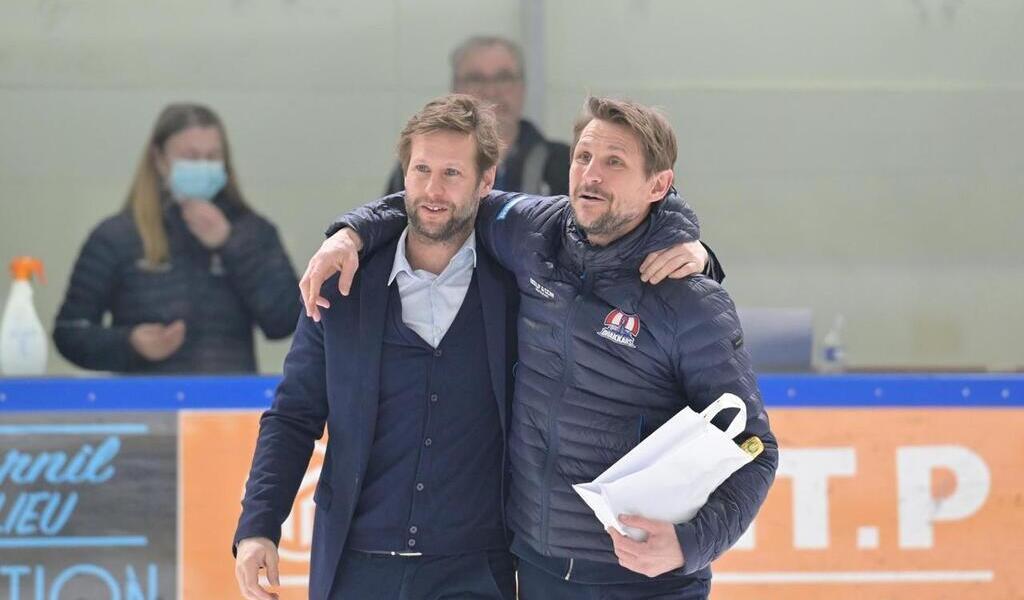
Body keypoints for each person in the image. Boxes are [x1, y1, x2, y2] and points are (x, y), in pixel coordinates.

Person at [235, 95, 712, 600]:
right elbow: (293, 415)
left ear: (487, 183)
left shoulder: (519, 282)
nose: (432, 190)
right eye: (421, 170)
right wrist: (257, 525)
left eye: (452, 174)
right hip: (355, 566)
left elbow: (617, 215)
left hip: (475, 572)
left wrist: (691, 243)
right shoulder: (342, 283)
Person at [53, 103, 299, 373]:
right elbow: (69, 332)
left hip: (227, 407)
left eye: (213, 157)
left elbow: (286, 320)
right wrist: (129, 343)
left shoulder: (253, 230)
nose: (203, 166)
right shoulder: (116, 236)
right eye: (191, 157)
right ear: (159, 159)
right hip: (144, 404)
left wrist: (230, 244)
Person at [384, 36, 571, 197]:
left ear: (522, 88)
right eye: (476, 79)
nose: (491, 91)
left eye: (503, 78)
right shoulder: (421, 163)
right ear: (454, 89)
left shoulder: (564, 164)